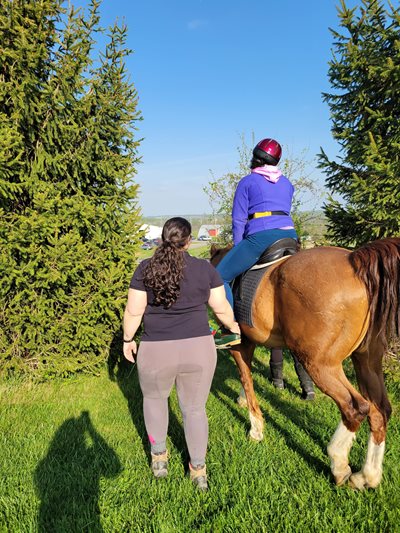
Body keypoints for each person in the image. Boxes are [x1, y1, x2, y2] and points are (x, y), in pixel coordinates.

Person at [122, 217, 240, 491]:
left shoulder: (144, 268)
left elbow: (134, 311)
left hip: (155, 350)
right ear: (188, 242)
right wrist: (232, 326)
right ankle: (198, 470)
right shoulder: (204, 268)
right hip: (198, 350)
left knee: (154, 401)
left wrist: (128, 338)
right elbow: (220, 308)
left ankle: (159, 459)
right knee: (195, 410)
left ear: (164, 239)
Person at [213, 138, 297, 348]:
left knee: (219, 276)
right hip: (290, 237)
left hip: (261, 237)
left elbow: (239, 219)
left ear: (256, 158)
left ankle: (229, 331)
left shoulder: (247, 182)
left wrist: (239, 246)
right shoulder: (287, 183)